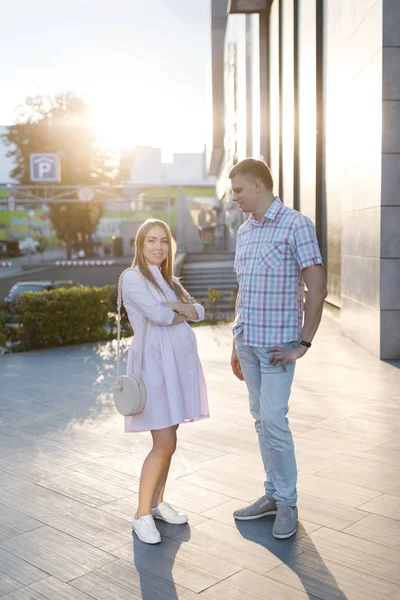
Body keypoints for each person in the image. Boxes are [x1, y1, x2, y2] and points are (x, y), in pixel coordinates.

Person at [230, 158, 327, 539]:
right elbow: (244, 288)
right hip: (248, 341)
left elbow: (317, 288)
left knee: (273, 420)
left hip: (278, 347)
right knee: (260, 420)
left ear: (257, 185)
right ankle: (272, 495)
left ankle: (287, 503)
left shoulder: (296, 225)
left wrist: (303, 343)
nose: (234, 197)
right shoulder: (244, 232)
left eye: (238, 189)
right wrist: (236, 343)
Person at [121, 218, 209, 545]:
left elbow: (200, 311)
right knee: (164, 443)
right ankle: (141, 514)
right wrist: (177, 309)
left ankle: (157, 504)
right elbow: (160, 317)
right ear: (140, 246)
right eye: (151, 241)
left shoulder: (170, 280)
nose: (158, 247)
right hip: (155, 369)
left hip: (177, 368)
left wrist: (177, 306)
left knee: (170, 439)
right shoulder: (132, 278)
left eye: (163, 241)